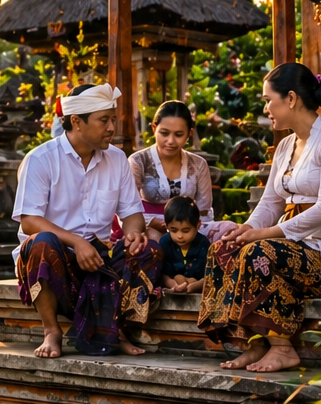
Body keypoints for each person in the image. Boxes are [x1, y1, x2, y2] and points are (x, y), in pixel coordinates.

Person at [200, 63, 321, 372]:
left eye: (269, 100)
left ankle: (282, 348)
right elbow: (271, 202)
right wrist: (247, 228)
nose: (266, 108)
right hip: (296, 250)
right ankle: (254, 342)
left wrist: (264, 235)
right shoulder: (284, 146)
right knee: (223, 249)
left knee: (259, 251)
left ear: (291, 98)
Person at [14, 83, 162, 358]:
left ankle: (116, 327)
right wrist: (77, 242)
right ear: (76, 122)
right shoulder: (41, 159)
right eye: (104, 120)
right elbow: (29, 221)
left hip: (99, 257)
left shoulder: (117, 159)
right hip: (57, 257)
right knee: (42, 243)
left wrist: (132, 235)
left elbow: (131, 213)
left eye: (113, 119)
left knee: (148, 250)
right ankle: (51, 331)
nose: (111, 128)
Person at [128, 100, 214, 235]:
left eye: (179, 135)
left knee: (227, 229)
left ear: (189, 133)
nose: (171, 141)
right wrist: (153, 223)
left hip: (189, 230)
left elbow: (204, 212)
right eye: (164, 133)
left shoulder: (199, 164)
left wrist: (188, 230)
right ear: (154, 128)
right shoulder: (138, 161)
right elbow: (127, 207)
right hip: (148, 227)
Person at [158, 196, 210, 293]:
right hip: (174, 282)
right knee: (178, 277)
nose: (180, 236)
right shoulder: (165, 242)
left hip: (198, 283)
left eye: (186, 231)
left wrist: (195, 286)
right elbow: (162, 273)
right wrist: (172, 284)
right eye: (173, 230)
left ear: (198, 225)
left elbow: (209, 275)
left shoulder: (203, 243)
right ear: (166, 226)